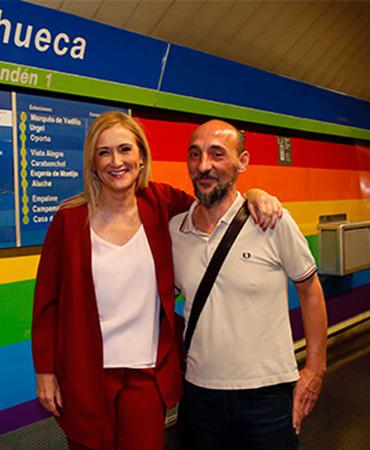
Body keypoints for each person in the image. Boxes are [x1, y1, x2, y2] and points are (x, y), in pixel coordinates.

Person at [31, 112, 282, 450]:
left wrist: (253, 193)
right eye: (104, 152)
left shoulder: (162, 203)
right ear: (93, 161)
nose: (116, 161)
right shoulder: (68, 220)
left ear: (141, 156)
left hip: (146, 376)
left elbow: (215, 203)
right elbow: (47, 303)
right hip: (85, 373)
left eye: (124, 149)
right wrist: (44, 372)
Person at [169, 119, 327, 450]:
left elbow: (310, 289)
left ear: (243, 162)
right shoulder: (175, 230)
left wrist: (315, 369)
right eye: (195, 155)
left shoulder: (271, 220)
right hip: (200, 396)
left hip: (267, 397)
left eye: (217, 154)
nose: (203, 166)